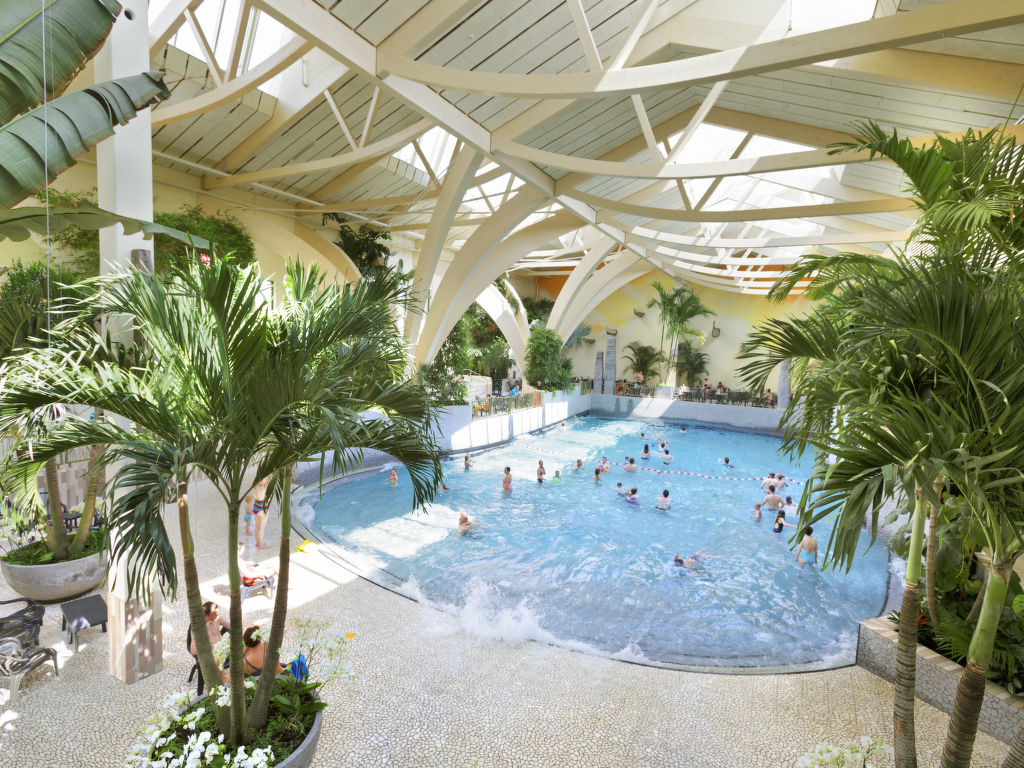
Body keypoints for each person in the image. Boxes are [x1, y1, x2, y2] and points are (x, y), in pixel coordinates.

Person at [252, 477, 271, 549]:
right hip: (262, 510)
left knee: (257, 526)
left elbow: (258, 497)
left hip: (255, 508)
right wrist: (267, 486)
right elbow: (268, 499)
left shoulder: (254, 487)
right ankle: (261, 545)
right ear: (263, 480)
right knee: (261, 528)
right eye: (265, 479)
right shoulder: (263, 489)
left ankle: (258, 542)